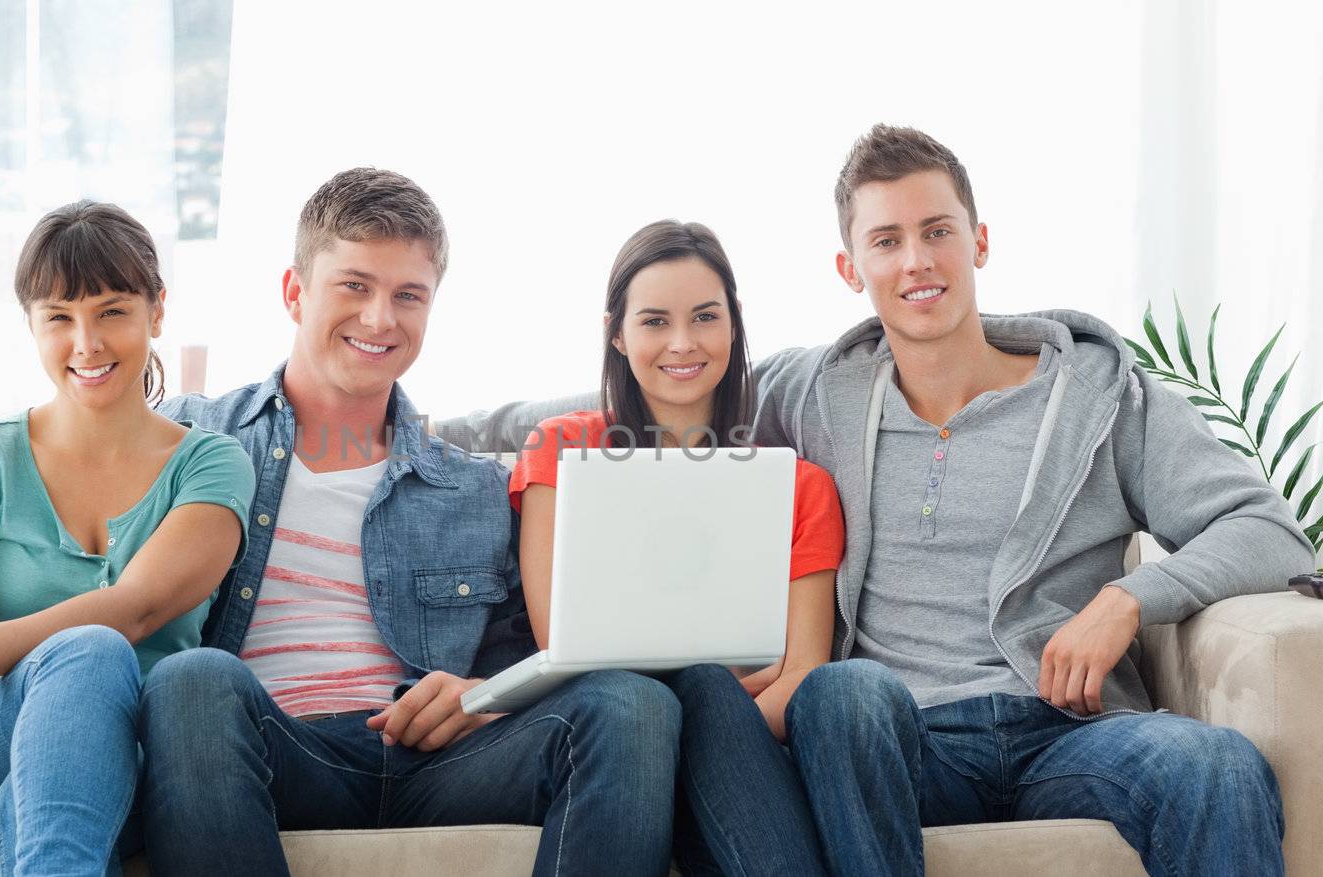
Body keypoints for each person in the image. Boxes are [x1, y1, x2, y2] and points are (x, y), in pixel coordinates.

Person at [442, 125, 1312, 876]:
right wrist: (411, 426)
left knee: (1217, 763)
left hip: (1068, 729)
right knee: (843, 692)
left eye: (937, 231)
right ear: (849, 265)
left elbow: (1268, 529)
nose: (917, 260)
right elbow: (662, 385)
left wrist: (1128, 599)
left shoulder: (1101, 396)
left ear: (979, 240)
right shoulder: (819, 388)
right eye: (887, 240)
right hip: (895, 736)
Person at [0, 169, 682, 877]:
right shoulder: (199, 444)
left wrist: (477, 693)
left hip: (427, 753)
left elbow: (535, 647)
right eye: (355, 286)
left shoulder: (474, 487)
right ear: (294, 291)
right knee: (195, 680)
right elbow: (89, 561)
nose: (379, 317)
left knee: (631, 703)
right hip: (260, 745)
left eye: (408, 295)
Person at [0, 200, 253, 876]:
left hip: (142, 754)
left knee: (40, 794)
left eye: (111, 311)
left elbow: (138, 607)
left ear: (156, 312)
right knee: (87, 654)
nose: (87, 343)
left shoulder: (212, 466)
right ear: (32, 326)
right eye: (60, 318)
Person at [507, 219, 846, 874]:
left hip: (740, 751)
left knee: (707, 692)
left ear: (734, 323)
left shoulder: (800, 487)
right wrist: (730, 679)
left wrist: (712, 706)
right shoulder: (562, 451)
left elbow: (801, 671)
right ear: (617, 331)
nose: (683, 343)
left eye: (705, 317)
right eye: (655, 321)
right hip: (611, 745)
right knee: (697, 688)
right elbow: (567, 642)